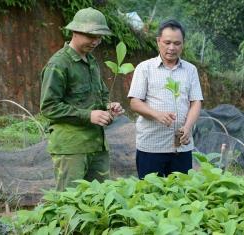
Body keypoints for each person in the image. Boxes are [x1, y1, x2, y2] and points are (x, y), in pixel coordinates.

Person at [40, 7, 124, 191]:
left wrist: (109, 106)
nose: (95, 41)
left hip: (97, 145)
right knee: (70, 204)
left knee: (99, 200)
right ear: (75, 32)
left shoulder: (91, 62)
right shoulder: (59, 64)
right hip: (72, 148)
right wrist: (89, 115)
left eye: (99, 37)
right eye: (90, 36)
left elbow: (100, 96)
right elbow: (48, 107)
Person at [128, 19, 203, 179]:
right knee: (149, 193)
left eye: (177, 43)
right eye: (167, 42)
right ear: (158, 42)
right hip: (151, 145)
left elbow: (196, 102)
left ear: (183, 44)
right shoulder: (145, 68)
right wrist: (157, 115)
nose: (172, 48)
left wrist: (188, 127)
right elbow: (134, 102)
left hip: (181, 148)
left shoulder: (190, 70)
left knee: (180, 194)